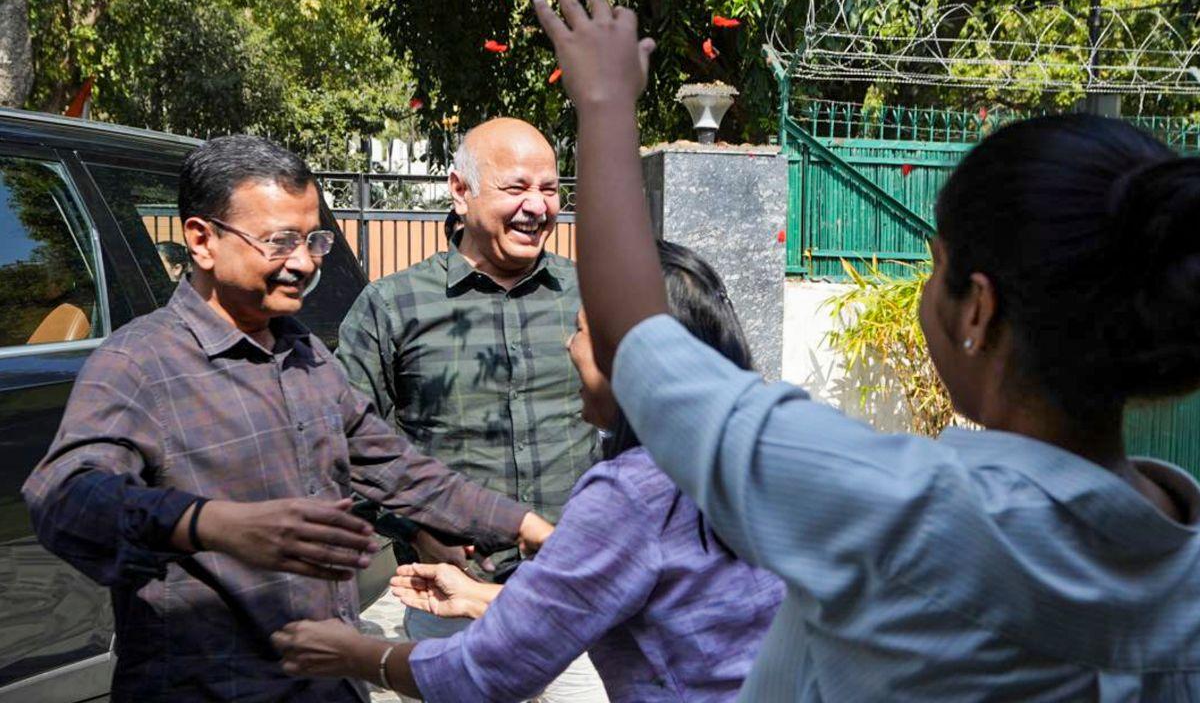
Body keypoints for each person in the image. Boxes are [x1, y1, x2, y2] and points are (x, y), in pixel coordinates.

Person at [522, 0, 1200, 699]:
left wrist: (604, 100)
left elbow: (638, 344)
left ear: (977, 309)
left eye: (936, 269)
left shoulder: (906, 512)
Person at [21, 134, 552, 702]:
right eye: (279, 242)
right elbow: (64, 501)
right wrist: (209, 524)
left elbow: (400, 471)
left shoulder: (306, 357)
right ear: (202, 240)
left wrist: (525, 527)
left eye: (313, 239)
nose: (303, 263)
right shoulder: (139, 363)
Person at [272, 240, 785, 702]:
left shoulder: (631, 492)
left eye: (580, 330)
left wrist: (354, 653)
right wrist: (480, 596)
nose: (567, 346)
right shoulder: (752, 449)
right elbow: (638, 604)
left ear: (633, 354)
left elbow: (488, 672)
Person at [336, 118, 605, 698]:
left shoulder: (589, 297)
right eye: (516, 188)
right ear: (461, 190)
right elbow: (349, 445)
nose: (537, 206)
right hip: (449, 600)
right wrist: (415, 526)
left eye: (551, 189)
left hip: (572, 595)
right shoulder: (392, 307)